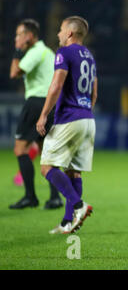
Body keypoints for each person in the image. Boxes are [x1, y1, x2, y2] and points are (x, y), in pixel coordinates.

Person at [36, 16, 97, 234]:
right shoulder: (89, 56)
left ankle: (79, 205)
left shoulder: (64, 53)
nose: (58, 34)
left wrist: (44, 115)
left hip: (70, 118)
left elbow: (56, 85)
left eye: (61, 30)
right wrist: (85, 111)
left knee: (46, 167)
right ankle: (67, 223)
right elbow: (94, 93)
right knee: (74, 172)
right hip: (88, 119)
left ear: (70, 33)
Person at [9, 19, 63, 209]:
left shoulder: (35, 52)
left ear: (29, 36)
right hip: (50, 104)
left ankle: (30, 196)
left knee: (20, 149)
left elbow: (14, 73)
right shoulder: (47, 52)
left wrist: (17, 51)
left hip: (36, 103)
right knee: (45, 153)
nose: (17, 38)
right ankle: (55, 197)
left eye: (19, 34)